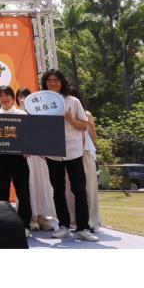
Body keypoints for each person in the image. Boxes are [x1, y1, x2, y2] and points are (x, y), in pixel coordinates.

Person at [41, 69, 98, 242]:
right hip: (53, 153)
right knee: (58, 191)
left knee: (79, 190)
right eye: (49, 80)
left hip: (73, 151)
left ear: (62, 82)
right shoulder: (40, 103)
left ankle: (83, 228)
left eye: (56, 80)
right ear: (45, 83)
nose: (53, 83)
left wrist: (71, 120)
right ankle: (64, 226)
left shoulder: (73, 101)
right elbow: (37, 128)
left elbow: (84, 126)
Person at [0, 86, 32, 237]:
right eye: (1, 96)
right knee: (2, 193)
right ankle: (4, 224)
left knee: (23, 192)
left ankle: (25, 225)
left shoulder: (22, 114)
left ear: (13, 98)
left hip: (19, 159)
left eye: (7, 95)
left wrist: (27, 148)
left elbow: (28, 136)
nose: (4, 98)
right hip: (0, 160)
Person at [17, 88, 57, 231]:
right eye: (20, 96)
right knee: (28, 185)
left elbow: (46, 134)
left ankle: (42, 217)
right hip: (25, 157)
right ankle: (31, 218)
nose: (23, 98)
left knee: (42, 185)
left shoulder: (40, 114)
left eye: (26, 96)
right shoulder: (17, 114)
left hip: (40, 157)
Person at [66, 103, 101, 231]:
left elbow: (94, 138)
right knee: (71, 190)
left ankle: (91, 221)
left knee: (89, 188)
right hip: (70, 154)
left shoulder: (87, 114)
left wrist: (90, 125)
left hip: (85, 153)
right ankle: (74, 221)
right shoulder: (64, 114)